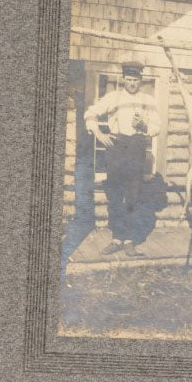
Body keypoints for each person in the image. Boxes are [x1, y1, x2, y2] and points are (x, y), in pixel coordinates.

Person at [83, 59, 161, 257]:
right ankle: (117, 238)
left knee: (133, 195)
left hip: (136, 148)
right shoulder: (114, 97)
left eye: (135, 79)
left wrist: (144, 126)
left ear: (141, 79)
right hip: (116, 148)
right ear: (123, 79)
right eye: (128, 79)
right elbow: (90, 114)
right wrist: (100, 134)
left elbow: (157, 127)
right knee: (115, 195)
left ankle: (129, 241)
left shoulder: (148, 101)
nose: (132, 83)